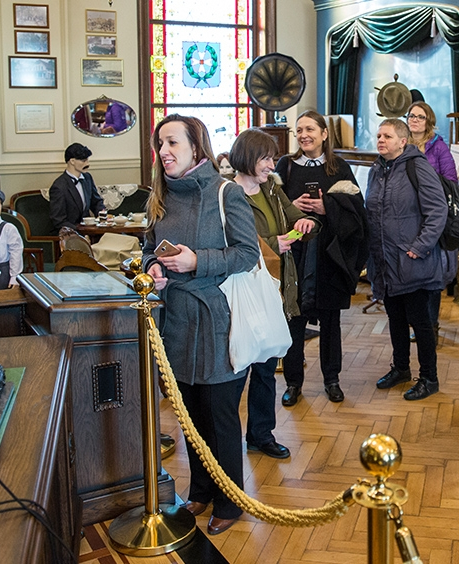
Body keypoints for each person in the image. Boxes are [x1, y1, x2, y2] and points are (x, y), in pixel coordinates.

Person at [141, 114, 260, 536]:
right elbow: (146, 251)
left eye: (172, 142)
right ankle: (202, 490)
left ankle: (231, 500)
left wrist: (197, 261)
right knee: (188, 413)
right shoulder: (159, 197)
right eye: (159, 144)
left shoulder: (226, 193)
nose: (164, 151)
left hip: (216, 322)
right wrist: (154, 266)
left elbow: (247, 253)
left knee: (220, 415)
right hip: (174, 322)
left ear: (197, 147)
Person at [229, 127, 317, 458]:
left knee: (266, 366)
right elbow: (227, 244)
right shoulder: (226, 194)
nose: (271, 165)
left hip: (275, 287)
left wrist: (307, 223)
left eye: (273, 158)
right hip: (242, 291)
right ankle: (224, 442)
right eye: (267, 158)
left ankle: (261, 435)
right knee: (237, 370)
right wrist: (272, 245)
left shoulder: (271, 189)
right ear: (249, 158)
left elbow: (292, 218)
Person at [275, 110, 368, 407]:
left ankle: (332, 379)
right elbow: (274, 205)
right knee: (294, 318)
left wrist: (328, 207)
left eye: (310, 129)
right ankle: (293, 381)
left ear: (324, 134)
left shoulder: (338, 167)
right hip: (297, 254)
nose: (304, 135)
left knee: (330, 320)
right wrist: (293, 205)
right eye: (299, 130)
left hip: (328, 254)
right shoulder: (286, 166)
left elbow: (356, 209)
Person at [368, 118, 447, 401]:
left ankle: (429, 377)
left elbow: (437, 210)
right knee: (396, 318)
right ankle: (401, 367)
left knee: (420, 321)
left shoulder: (417, 166)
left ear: (403, 141)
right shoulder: (376, 169)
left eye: (387, 136)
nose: (380, 140)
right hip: (385, 260)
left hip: (412, 259)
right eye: (378, 135)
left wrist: (420, 246)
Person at [407, 101, 458, 338]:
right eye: (411, 116)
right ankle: (416, 324)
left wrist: (426, 183)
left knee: (432, 274)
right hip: (407, 215)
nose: (415, 120)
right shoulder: (401, 143)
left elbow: (451, 180)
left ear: (429, 121)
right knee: (411, 272)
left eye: (420, 116)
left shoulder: (438, 147)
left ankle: (431, 326)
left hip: (432, 215)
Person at [49, 143, 106, 233]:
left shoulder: (87, 178)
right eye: (83, 161)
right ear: (72, 161)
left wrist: (102, 216)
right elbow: (58, 220)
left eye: (87, 160)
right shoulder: (59, 186)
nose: (88, 164)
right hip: (69, 234)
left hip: (88, 231)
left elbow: (96, 202)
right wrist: (80, 231)